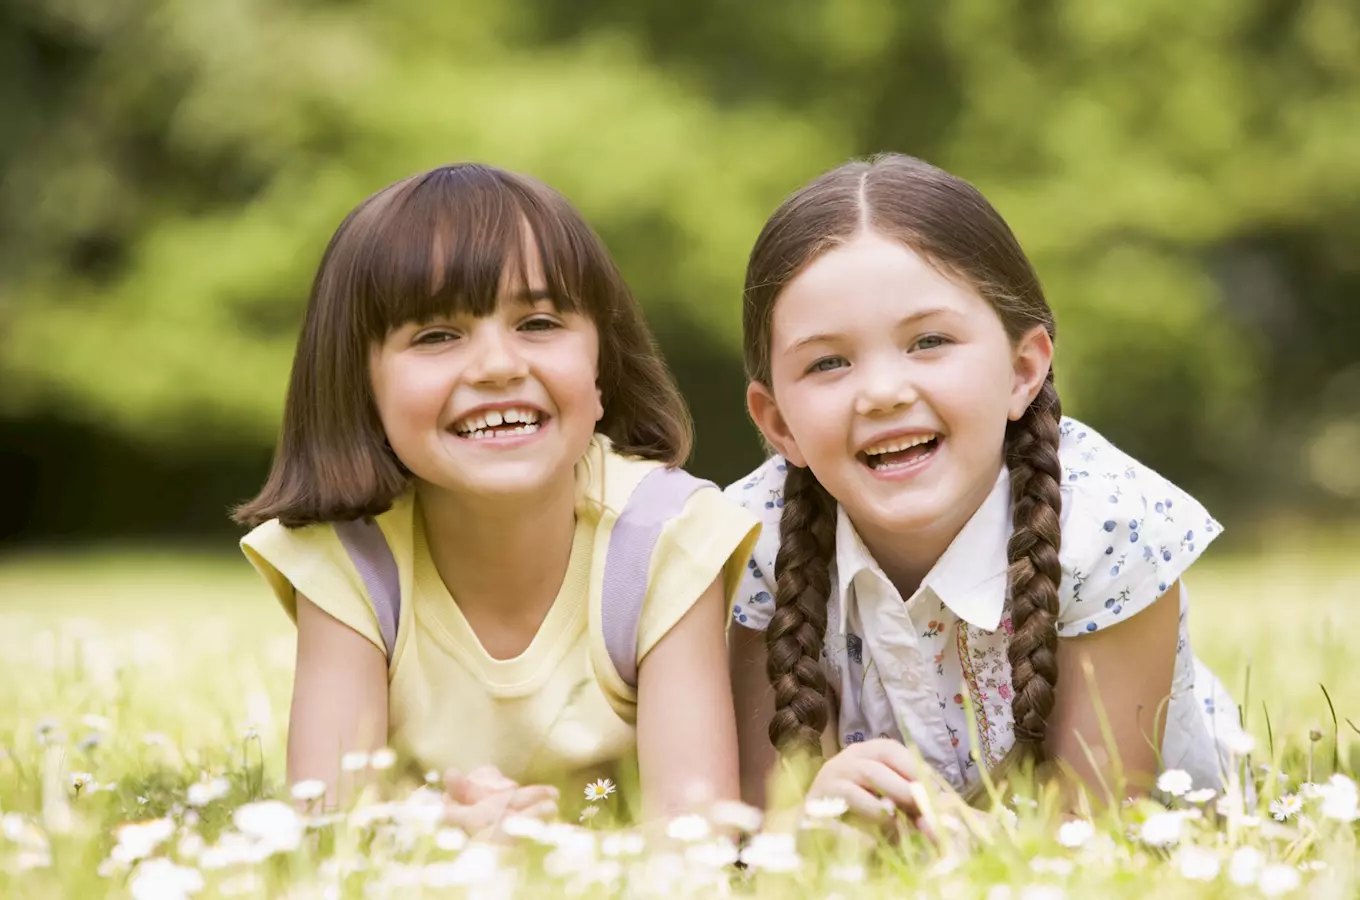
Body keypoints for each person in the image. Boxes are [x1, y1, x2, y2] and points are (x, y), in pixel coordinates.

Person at [235, 163, 759, 828]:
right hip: (429, 825)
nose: (499, 366)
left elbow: (693, 819)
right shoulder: (352, 559)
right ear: (358, 387)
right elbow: (327, 820)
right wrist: (437, 830)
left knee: (600, 798)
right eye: (436, 336)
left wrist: (570, 820)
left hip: (603, 808)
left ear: (602, 367)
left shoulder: (663, 536)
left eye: (538, 323)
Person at [726, 153, 1247, 819]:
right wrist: (814, 818)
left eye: (929, 341)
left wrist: (955, 838)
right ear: (778, 424)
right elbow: (760, 830)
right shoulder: (746, 544)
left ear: (1022, 371)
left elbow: (1097, 831)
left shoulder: (1109, 525)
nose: (884, 392)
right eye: (829, 362)